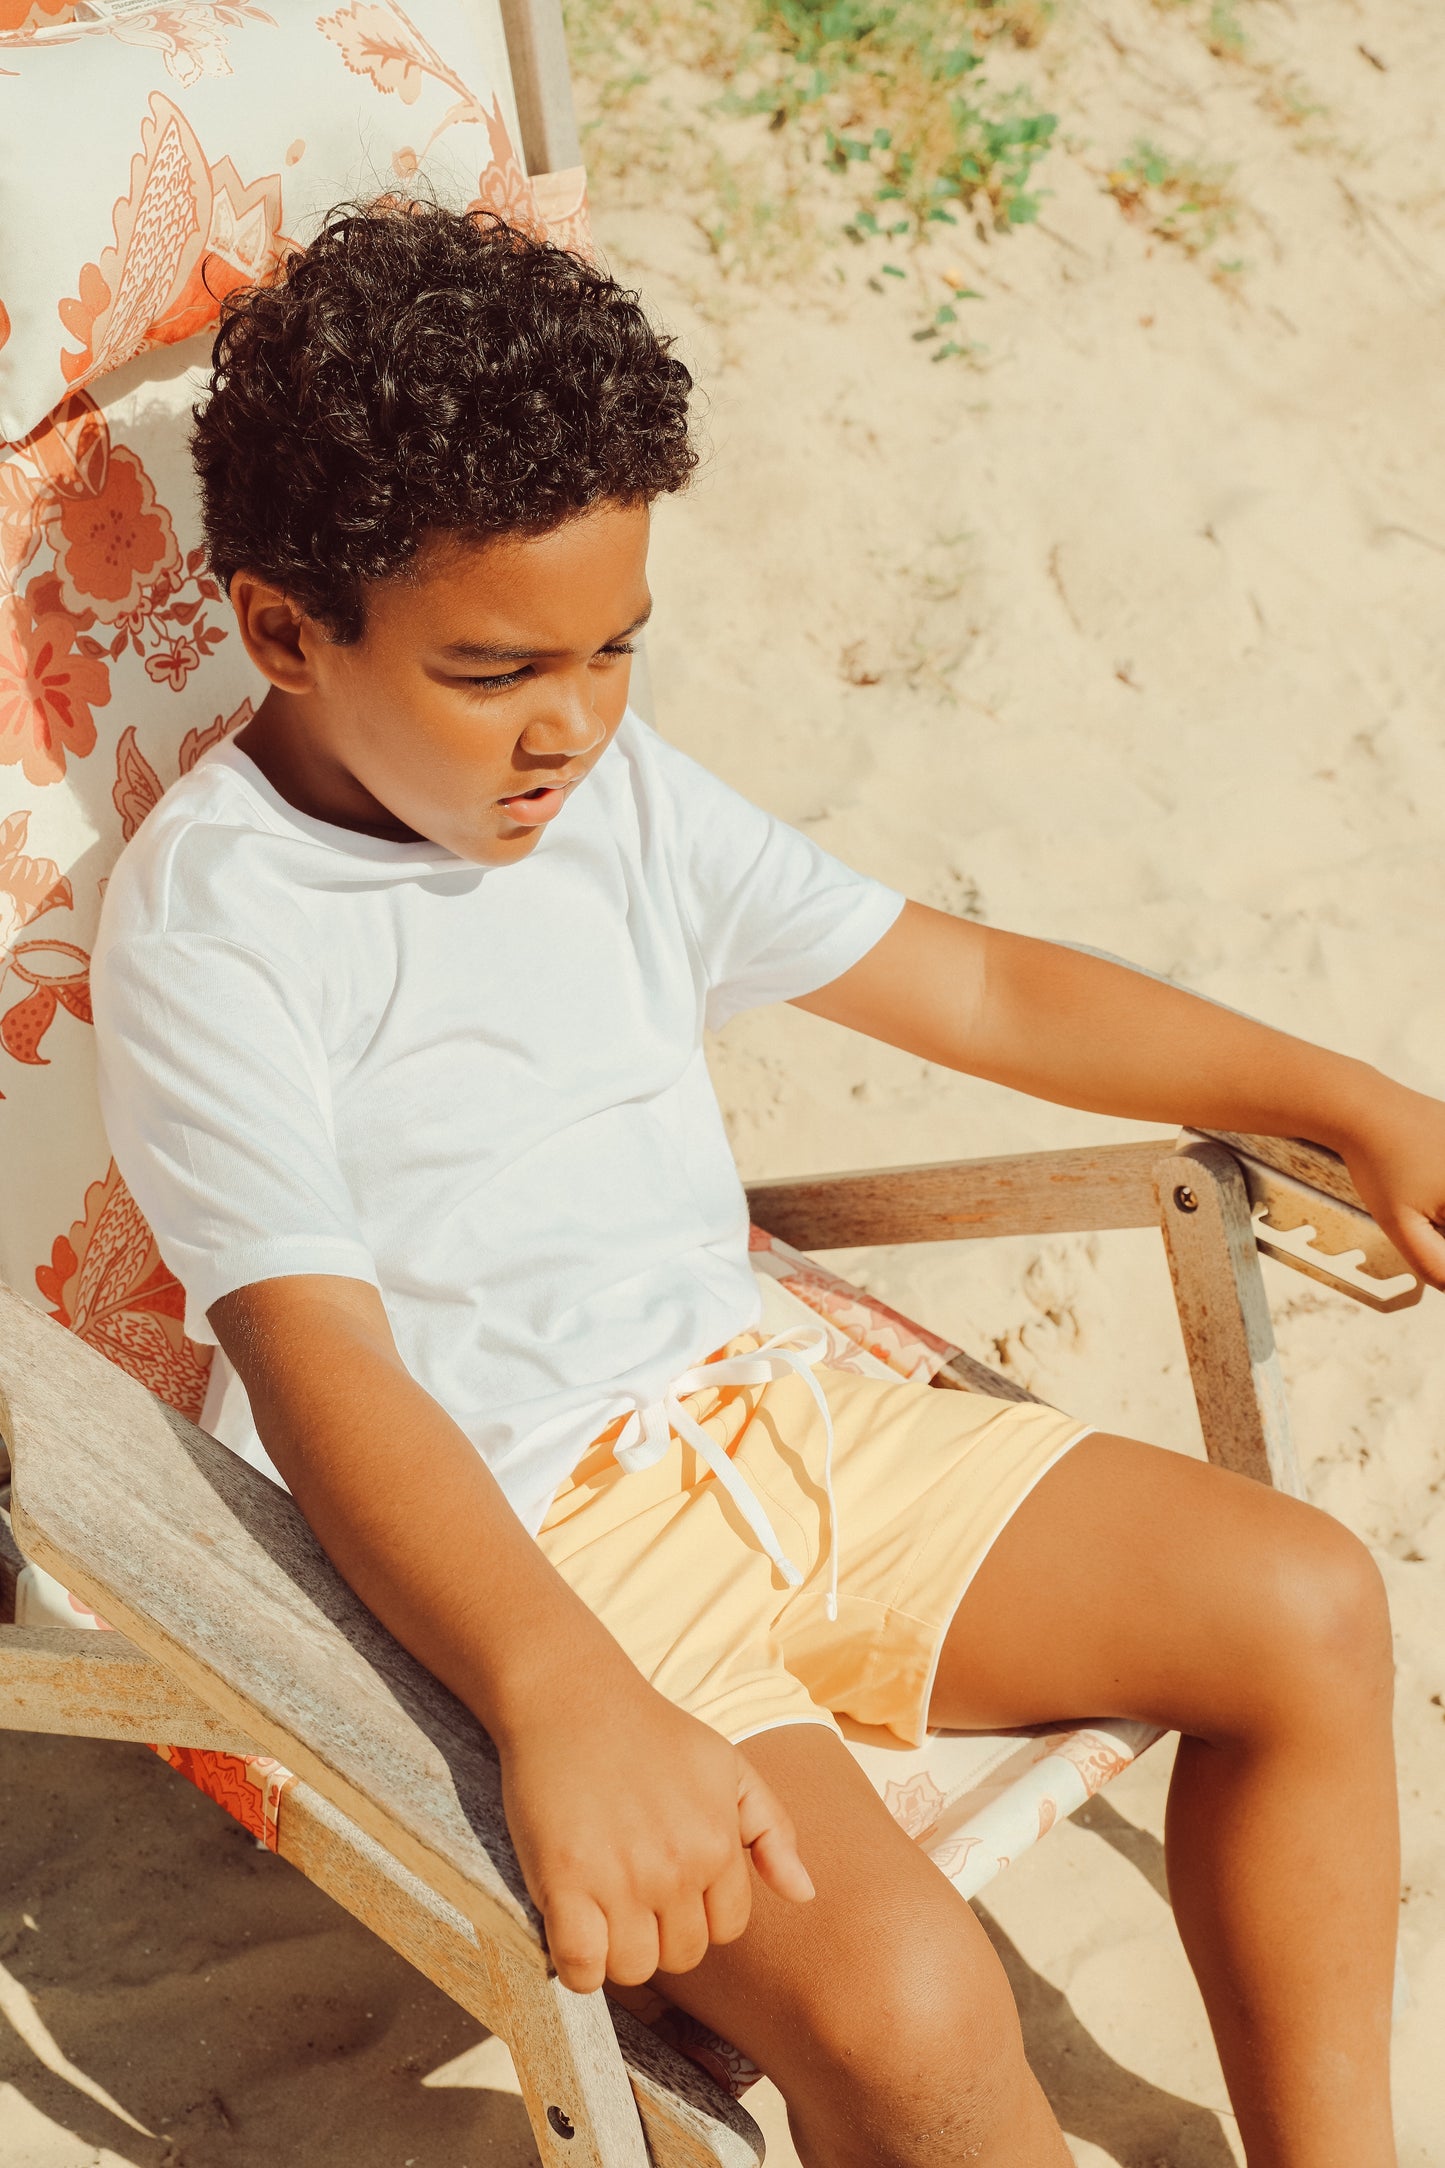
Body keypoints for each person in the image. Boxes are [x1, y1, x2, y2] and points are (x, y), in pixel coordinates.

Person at [91, 202, 1438, 2168]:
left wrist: (1351, 1097)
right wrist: (561, 1696)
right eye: (493, 669)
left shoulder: (612, 792)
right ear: (287, 630)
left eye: (613, 650)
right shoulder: (218, 924)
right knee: (906, 2006)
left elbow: (974, 985)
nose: (571, 724)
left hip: (766, 1414)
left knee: (1303, 1607)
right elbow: (323, 1371)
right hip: (523, 1552)